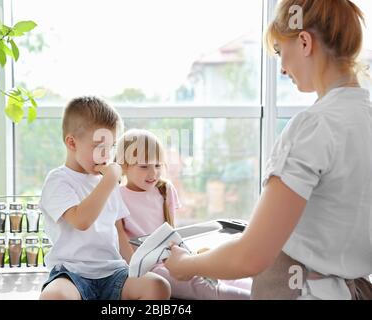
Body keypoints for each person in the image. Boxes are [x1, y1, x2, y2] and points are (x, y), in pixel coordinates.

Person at [164, 0, 372, 300]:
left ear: (304, 42)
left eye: (279, 51)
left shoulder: (314, 126)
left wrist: (186, 264)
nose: (282, 67)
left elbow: (251, 256)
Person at [38, 96, 171, 300]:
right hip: (72, 274)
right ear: (72, 143)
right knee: (55, 296)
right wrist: (109, 180)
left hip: (113, 271)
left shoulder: (106, 181)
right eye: (99, 147)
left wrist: (137, 266)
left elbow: (118, 232)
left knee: (158, 286)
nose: (106, 155)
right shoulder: (58, 180)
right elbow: (81, 220)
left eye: (110, 147)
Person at [116, 129, 251, 300]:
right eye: (144, 166)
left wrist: (187, 259)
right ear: (124, 166)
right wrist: (137, 273)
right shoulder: (117, 196)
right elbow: (121, 241)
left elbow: (172, 233)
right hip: (148, 269)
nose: (153, 173)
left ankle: (271, 294)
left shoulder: (164, 190)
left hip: (171, 259)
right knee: (206, 288)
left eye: (157, 165)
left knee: (220, 275)